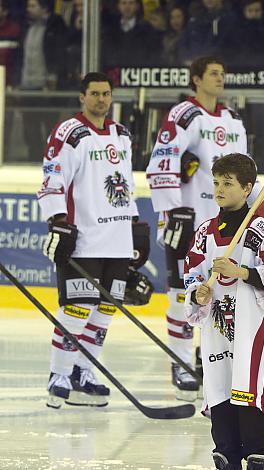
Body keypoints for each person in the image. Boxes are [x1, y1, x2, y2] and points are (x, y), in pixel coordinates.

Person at [37, 72, 148, 408]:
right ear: (81, 97)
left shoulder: (122, 134)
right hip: (84, 237)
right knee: (76, 308)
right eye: (95, 93)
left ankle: (84, 372)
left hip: (116, 238)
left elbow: (125, 182)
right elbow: (52, 179)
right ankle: (59, 373)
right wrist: (58, 220)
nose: (102, 99)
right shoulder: (69, 133)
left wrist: (134, 224)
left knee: (105, 310)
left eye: (107, 93)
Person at [146, 56, 251, 401]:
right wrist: (174, 208)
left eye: (223, 72)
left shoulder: (233, 118)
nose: (221, 78)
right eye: (213, 73)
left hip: (225, 223)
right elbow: (161, 160)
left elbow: (244, 171)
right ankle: (179, 361)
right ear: (196, 79)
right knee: (182, 291)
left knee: (222, 292)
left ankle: (209, 361)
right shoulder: (183, 114)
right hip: (189, 219)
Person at [184, 153, 264, 470]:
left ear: (247, 188)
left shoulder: (259, 230)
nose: (219, 189)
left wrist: (241, 271)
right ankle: (226, 450)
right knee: (219, 384)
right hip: (217, 330)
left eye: (227, 183)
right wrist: (198, 292)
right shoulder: (205, 232)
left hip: (251, 328)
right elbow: (191, 274)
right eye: (216, 182)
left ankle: (258, 451)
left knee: (249, 384)